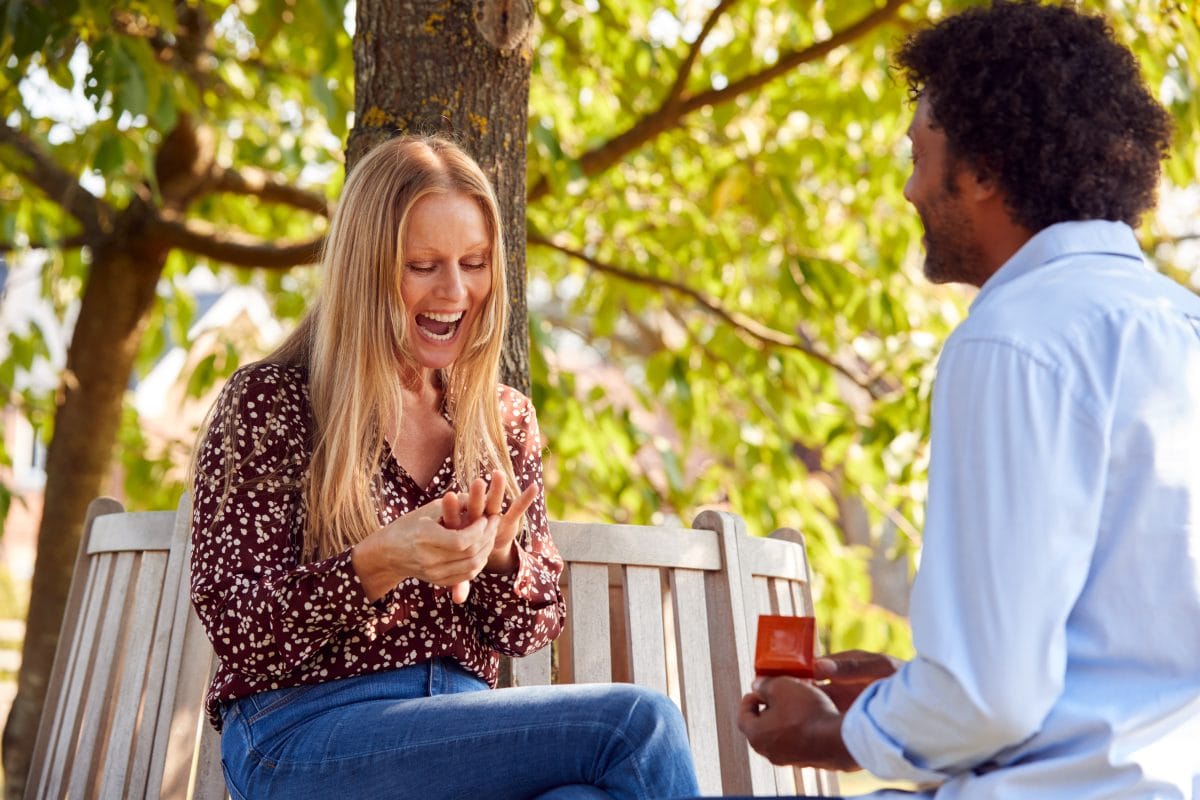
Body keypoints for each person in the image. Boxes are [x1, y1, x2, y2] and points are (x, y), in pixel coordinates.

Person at [738, 2, 1200, 797]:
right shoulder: (1179, 321)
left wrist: (827, 731)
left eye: (921, 152)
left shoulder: (1013, 339)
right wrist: (898, 692)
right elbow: (1102, 660)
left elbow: (990, 701)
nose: (911, 188)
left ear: (984, 171)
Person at [189, 134, 700, 800]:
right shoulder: (275, 400)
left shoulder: (500, 418)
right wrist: (379, 561)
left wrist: (499, 562)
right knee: (639, 726)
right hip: (303, 736)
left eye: (475, 261)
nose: (456, 291)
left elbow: (531, 629)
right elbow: (237, 626)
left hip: (463, 732)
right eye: (424, 264)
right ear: (366, 268)